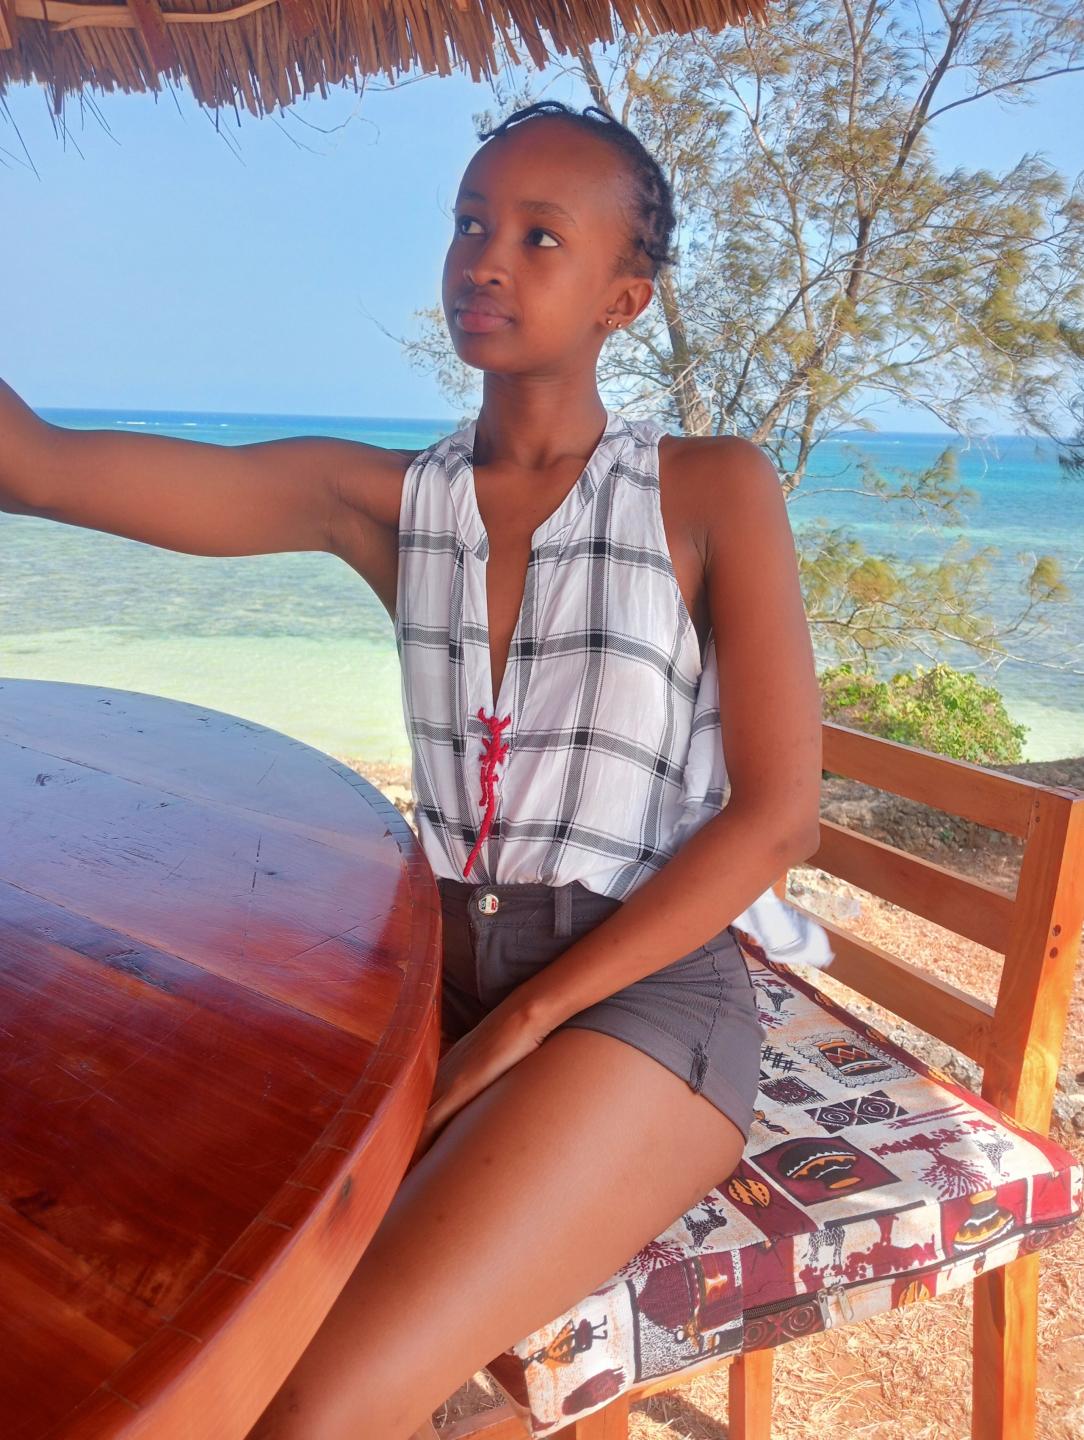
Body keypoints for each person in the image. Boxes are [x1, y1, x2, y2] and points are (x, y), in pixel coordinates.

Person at [0, 101, 829, 1440]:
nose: (484, 259)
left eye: (540, 236)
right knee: (174, 1292)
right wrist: (469, 1016)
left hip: (642, 993)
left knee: (308, 1407)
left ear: (625, 297)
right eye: (469, 223)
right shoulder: (387, 501)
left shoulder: (709, 487)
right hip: (427, 972)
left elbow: (777, 818)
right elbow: (37, 468)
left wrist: (519, 1024)